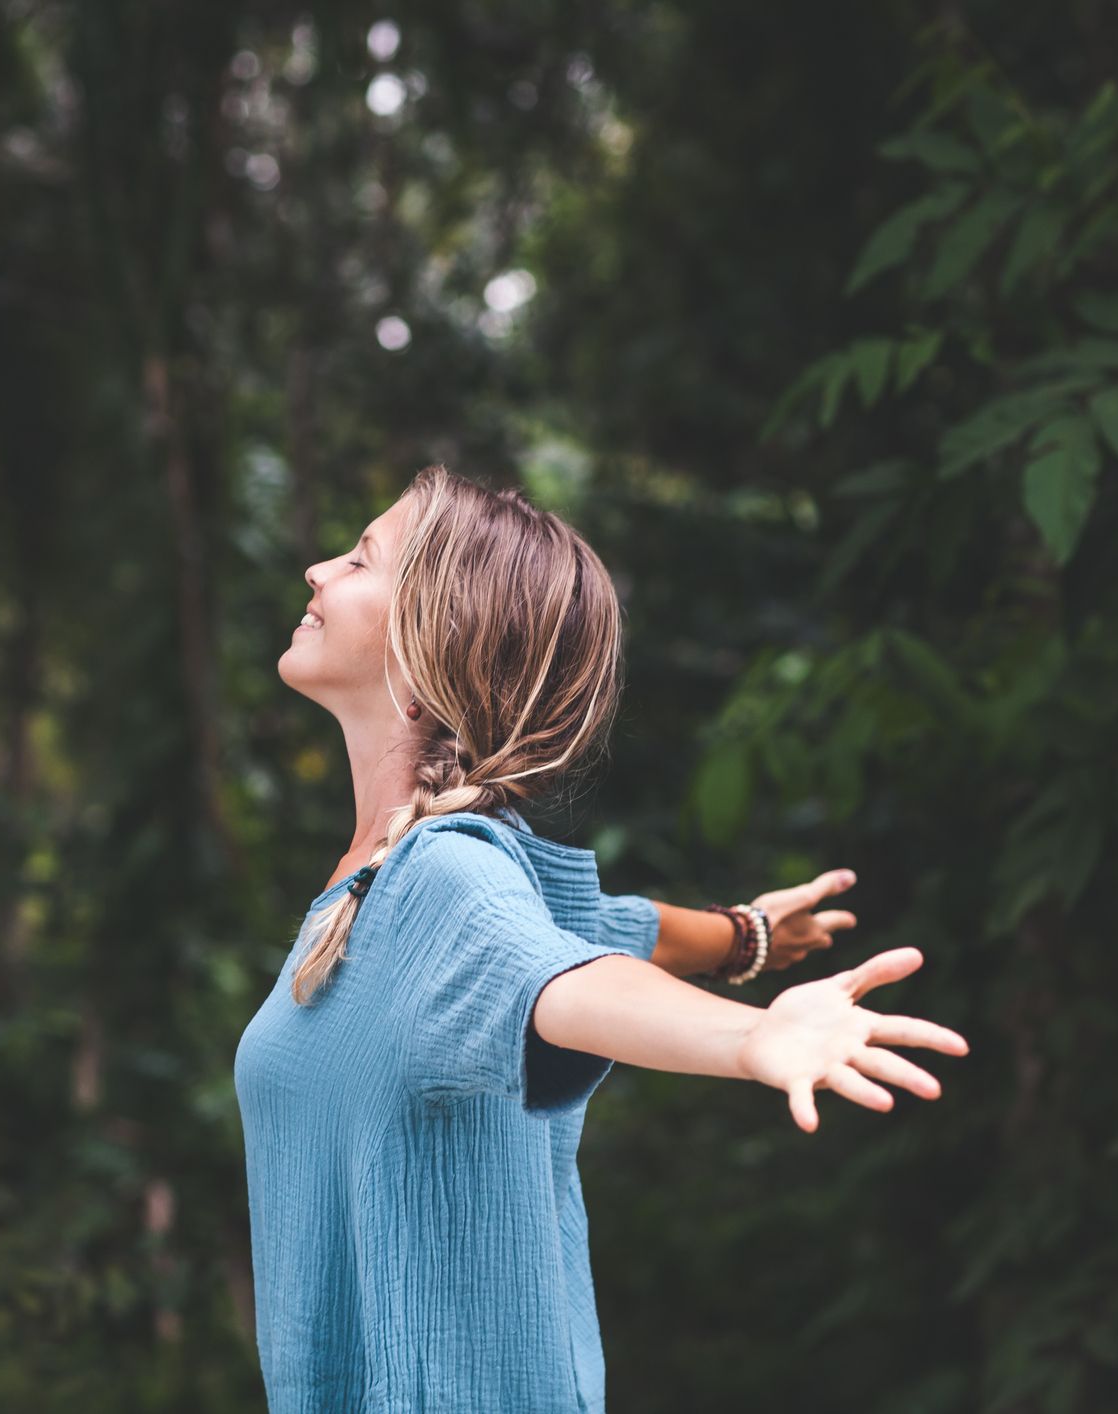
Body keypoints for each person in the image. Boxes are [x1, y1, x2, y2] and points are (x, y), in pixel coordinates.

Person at [233, 465, 970, 1411]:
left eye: (359, 557)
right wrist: (741, 937)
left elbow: (570, 982)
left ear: (426, 650)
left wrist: (746, 1039)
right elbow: (600, 930)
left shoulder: (444, 879)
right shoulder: (386, 883)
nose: (315, 571)